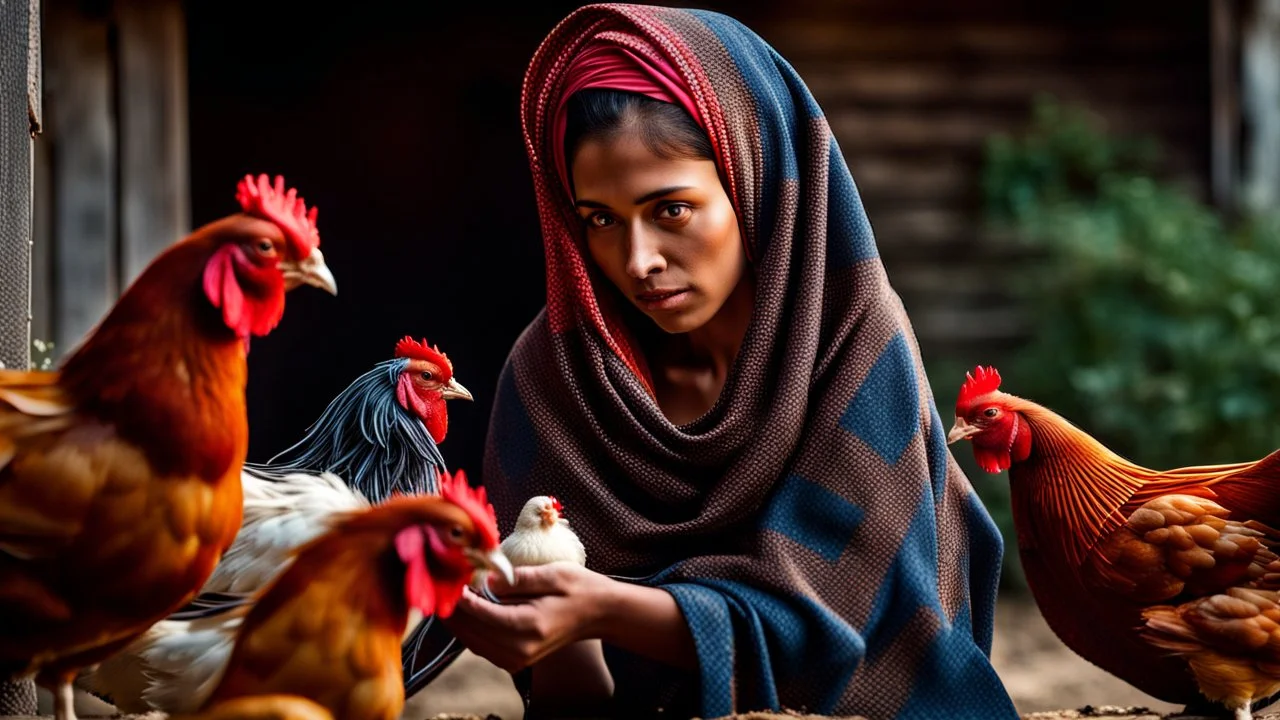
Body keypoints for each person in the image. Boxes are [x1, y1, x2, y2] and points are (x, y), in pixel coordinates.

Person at [442, 4, 1019, 719]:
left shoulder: (852, 345)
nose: (638, 261)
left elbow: (848, 627)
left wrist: (605, 608)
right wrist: (559, 638)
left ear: (753, 179)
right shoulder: (559, 383)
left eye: (671, 210)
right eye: (598, 219)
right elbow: (578, 701)